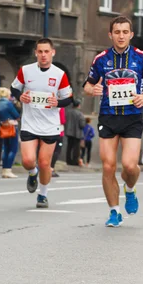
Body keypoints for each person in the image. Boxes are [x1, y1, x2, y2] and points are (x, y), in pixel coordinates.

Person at [83, 16, 143, 227]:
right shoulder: (100, 59)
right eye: (117, 32)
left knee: (129, 165)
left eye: (125, 32)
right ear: (110, 35)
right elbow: (87, 86)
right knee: (108, 167)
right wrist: (93, 90)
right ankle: (114, 211)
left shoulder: (141, 57)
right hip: (108, 116)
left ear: (131, 34)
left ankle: (130, 189)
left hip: (132, 117)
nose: (121, 36)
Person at [10, 38, 73, 208]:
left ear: (52, 53)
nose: (43, 55)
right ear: (35, 53)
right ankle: (32, 173)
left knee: (45, 163)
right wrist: (19, 96)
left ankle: (43, 194)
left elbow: (68, 99)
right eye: (40, 52)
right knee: (28, 161)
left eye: (47, 51)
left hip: (50, 125)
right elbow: (14, 88)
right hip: (29, 122)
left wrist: (56, 103)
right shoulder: (26, 70)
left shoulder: (59, 74)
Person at [0, 87, 20, 178]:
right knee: (13, 149)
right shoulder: (8, 104)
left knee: (6, 148)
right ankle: (8, 169)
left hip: (3, 127)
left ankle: (4, 170)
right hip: (12, 126)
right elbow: (16, 115)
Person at [64, 100, 84, 166]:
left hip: (69, 133)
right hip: (77, 133)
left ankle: (68, 161)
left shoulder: (68, 112)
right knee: (76, 149)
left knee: (69, 147)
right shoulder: (80, 114)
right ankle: (75, 161)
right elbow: (82, 125)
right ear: (78, 105)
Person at [50, 108, 66, 177]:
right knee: (57, 150)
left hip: (48, 130)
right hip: (58, 131)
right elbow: (62, 120)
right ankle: (51, 168)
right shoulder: (61, 107)